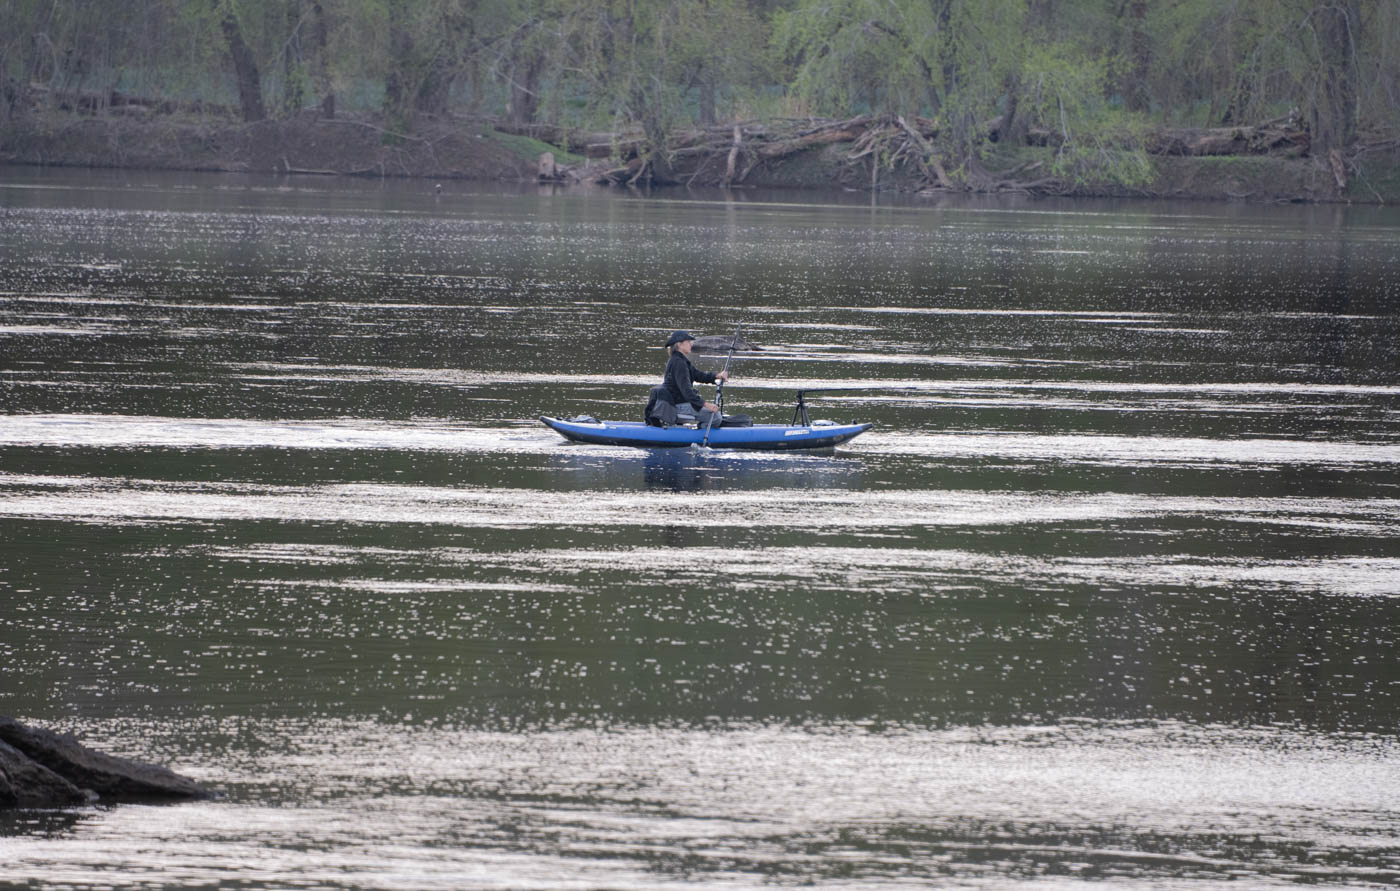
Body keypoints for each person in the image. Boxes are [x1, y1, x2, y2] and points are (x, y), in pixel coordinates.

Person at [650, 329, 729, 428]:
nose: (691, 344)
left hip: (679, 403)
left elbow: (697, 374)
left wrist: (716, 376)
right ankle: (698, 433)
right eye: (688, 342)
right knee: (716, 417)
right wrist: (705, 404)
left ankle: (696, 429)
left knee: (714, 414)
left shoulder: (680, 360)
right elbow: (687, 392)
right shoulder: (679, 363)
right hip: (677, 406)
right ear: (679, 344)